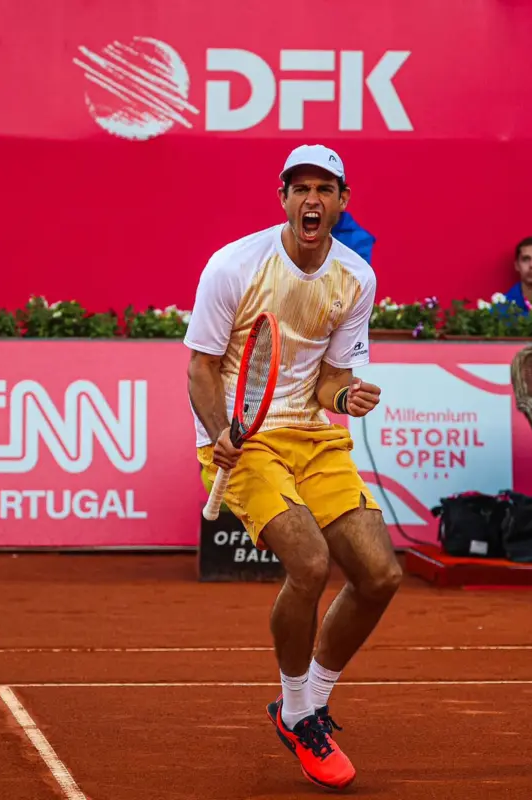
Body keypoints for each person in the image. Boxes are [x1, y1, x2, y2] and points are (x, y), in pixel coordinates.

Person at [183, 144, 402, 791]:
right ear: (283, 198)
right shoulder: (233, 266)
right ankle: (299, 713)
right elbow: (200, 365)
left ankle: (309, 700)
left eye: (325, 189)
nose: (312, 199)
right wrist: (220, 428)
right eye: (300, 188)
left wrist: (347, 397)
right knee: (309, 564)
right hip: (241, 439)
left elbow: (332, 378)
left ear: (342, 201)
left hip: (312, 435)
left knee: (380, 576)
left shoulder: (355, 279)